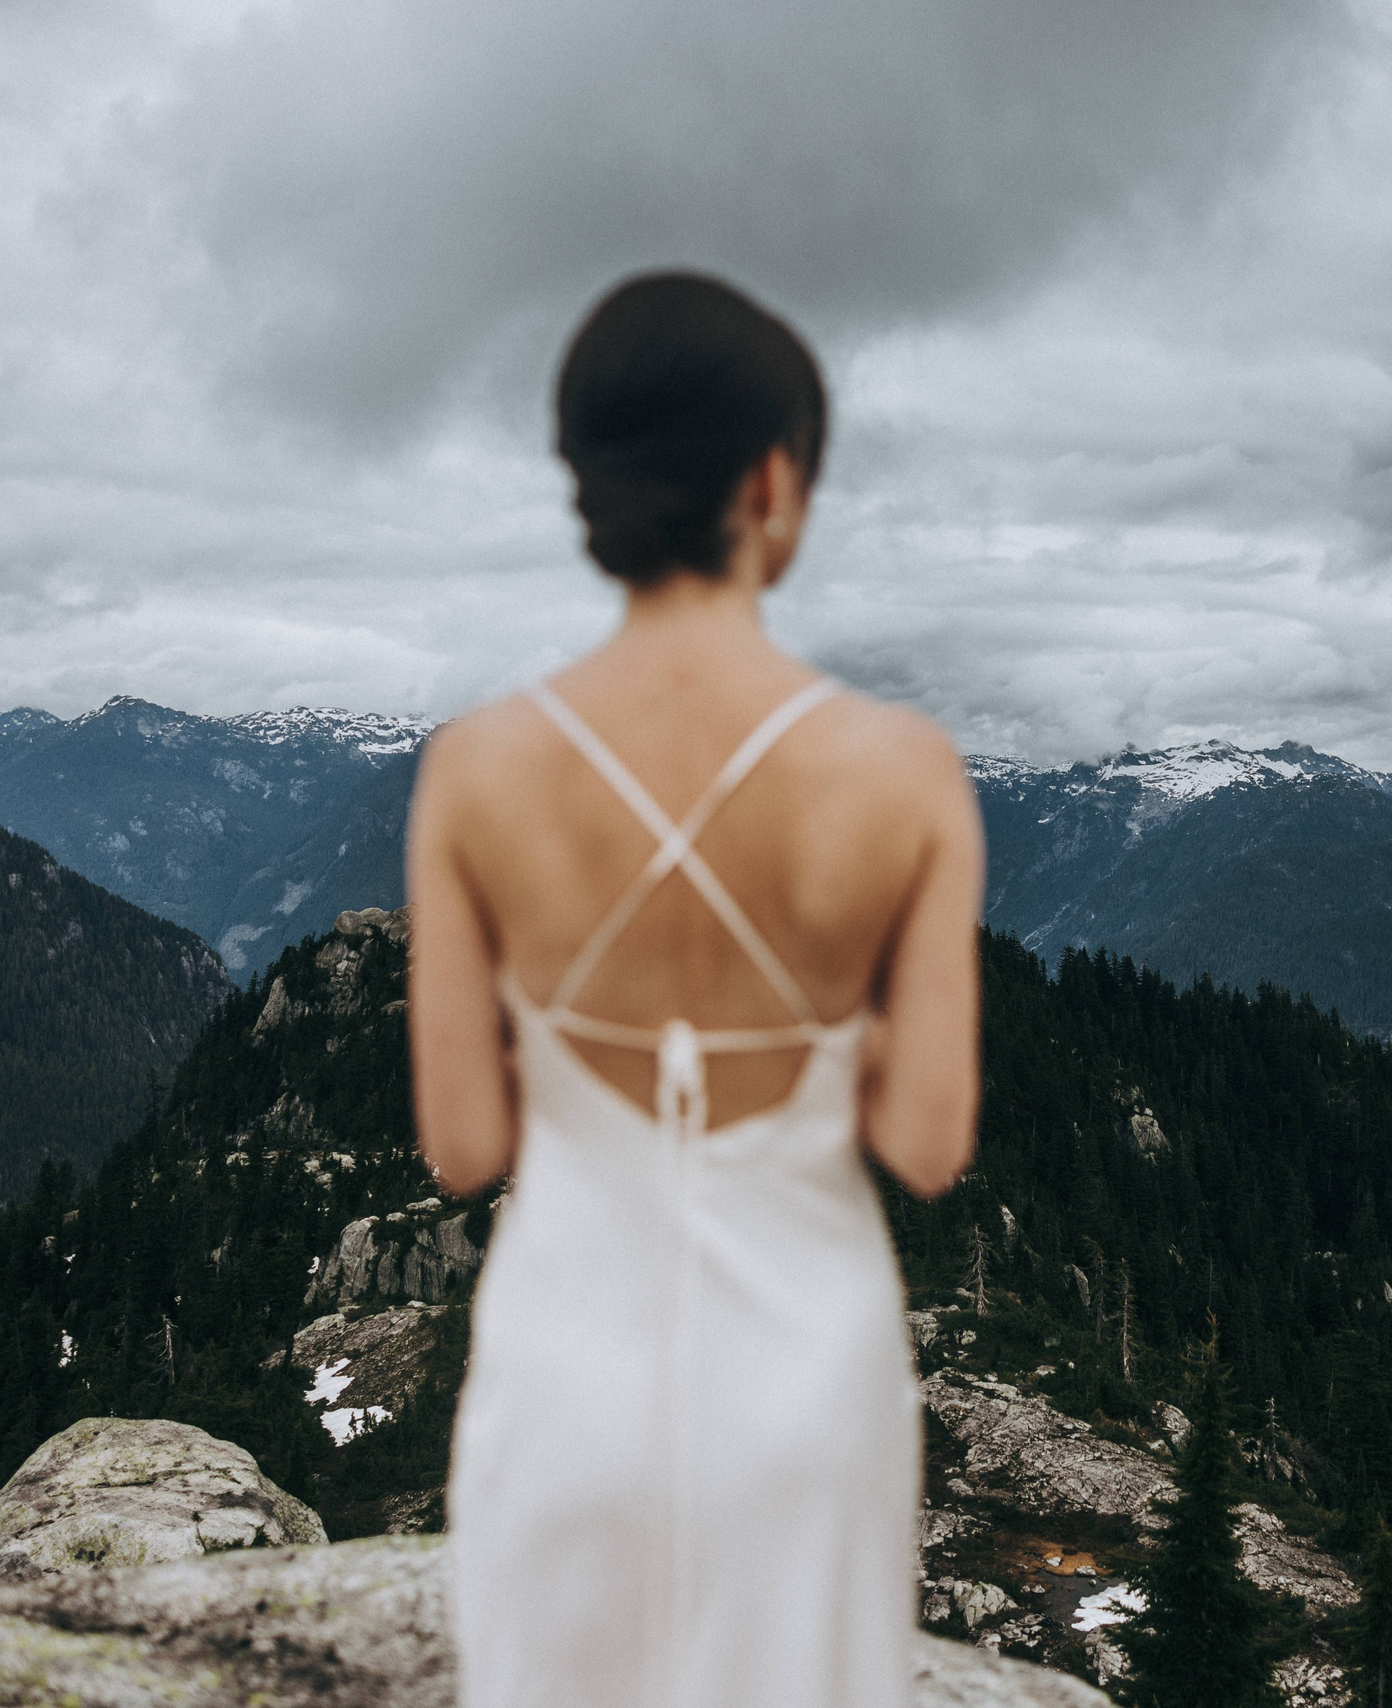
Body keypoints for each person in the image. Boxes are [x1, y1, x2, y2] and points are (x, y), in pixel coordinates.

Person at [407, 271, 983, 1708]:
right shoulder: (904, 774)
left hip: (565, 1372)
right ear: (773, 481)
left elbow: (465, 1147)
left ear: (592, 484)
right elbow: (925, 1142)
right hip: (806, 1384)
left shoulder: (475, 770)